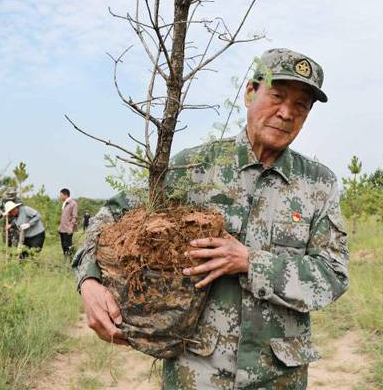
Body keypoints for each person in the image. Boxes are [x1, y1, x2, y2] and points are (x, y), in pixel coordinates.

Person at [73, 48, 349, 389]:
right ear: (250, 93)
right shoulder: (195, 168)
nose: (286, 113)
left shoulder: (318, 184)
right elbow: (110, 217)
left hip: (279, 376)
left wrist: (251, 262)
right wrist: (89, 283)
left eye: (301, 106)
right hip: (197, 371)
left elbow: (333, 274)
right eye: (277, 96)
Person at [58, 188, 78, 258]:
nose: (60, 197)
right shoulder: (64, 203)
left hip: (68, 229)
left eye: (61, 195)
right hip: (62, 229)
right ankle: (65, 259)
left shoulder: (73, 203)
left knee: (68, 246)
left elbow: (74, 217)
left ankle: (71, 260)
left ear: (65, 195)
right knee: (63, 246)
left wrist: (71, 227)